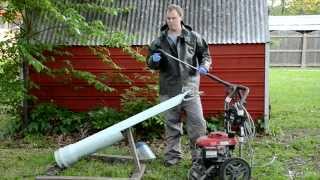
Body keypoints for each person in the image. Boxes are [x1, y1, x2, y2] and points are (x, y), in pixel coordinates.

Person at [147, 4, 212, 166]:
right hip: (168, 89)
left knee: (197, 124)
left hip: (190, 89)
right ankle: (172, 157)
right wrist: (154, 61)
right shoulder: (159, 41)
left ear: (181, 18)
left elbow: (205, 55)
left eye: (173, 18)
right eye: (168, 18)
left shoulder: (193, 37)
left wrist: (205, 66)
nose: (170, 21)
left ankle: (198, 158)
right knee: (172, 125)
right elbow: (150, 63)